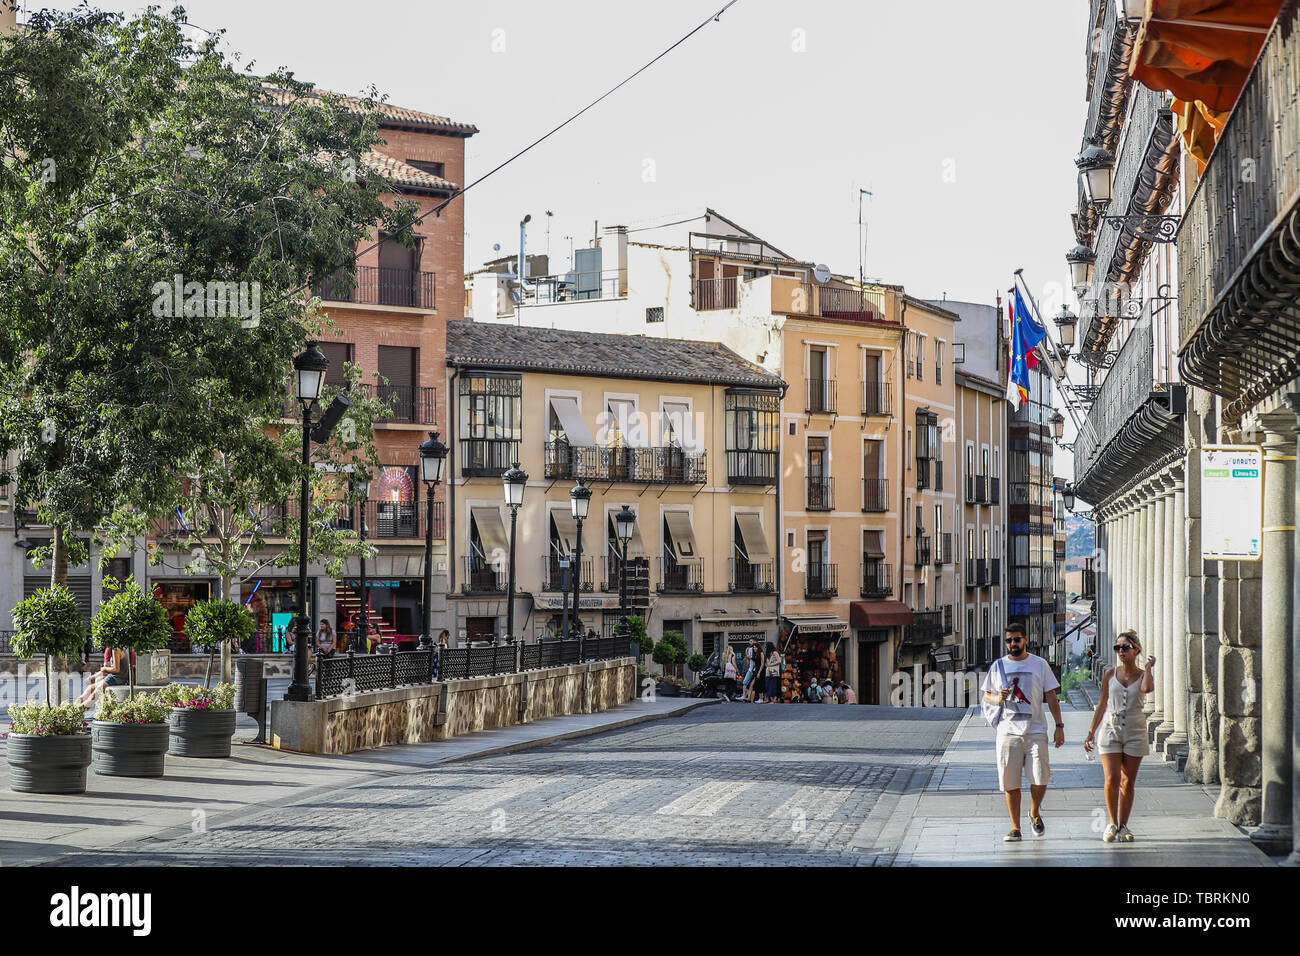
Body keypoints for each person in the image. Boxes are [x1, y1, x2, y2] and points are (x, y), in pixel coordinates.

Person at [981, 623, 1065, 842]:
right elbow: (987, 696)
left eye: (1017, 639)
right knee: (1010, 781)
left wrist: (1059, 726)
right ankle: (1015, 827)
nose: (1013, 644)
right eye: (1009, 641)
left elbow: (1052, 697)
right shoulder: (998, 666)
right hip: (1008, 732)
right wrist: (997, 697)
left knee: (1041, 776)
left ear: (1025, 640)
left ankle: (1034, 812)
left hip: (1036, 730)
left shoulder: (1040, 664)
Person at [1084, 630, 1156, 843]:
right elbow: (1102, 703)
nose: (1121, 652)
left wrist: (1150, 669)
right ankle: (1112, 822)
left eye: (1125, 647)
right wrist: (1090, 732)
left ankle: (1124, 826)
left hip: (1135, 730)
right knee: (1111, 778)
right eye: (1118, 648)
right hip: (1110, 728)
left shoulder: (1143, 675)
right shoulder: (1110, 674)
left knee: (1128, 781)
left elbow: (1147, 688)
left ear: (1136, 650)